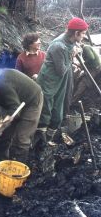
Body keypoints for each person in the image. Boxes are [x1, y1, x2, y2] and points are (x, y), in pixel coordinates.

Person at [36, 17, 89, 146]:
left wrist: (77, 49)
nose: (83, 36)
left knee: (58, 111)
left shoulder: (70, 40)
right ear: (76, 33)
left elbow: (75, 47)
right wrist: (71, 56)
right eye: (82, 34)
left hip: (61, 78)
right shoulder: (58, 46)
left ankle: (49, 138)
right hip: (50, 79)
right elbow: (61, 70)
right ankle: (40, 141)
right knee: (46, 109)